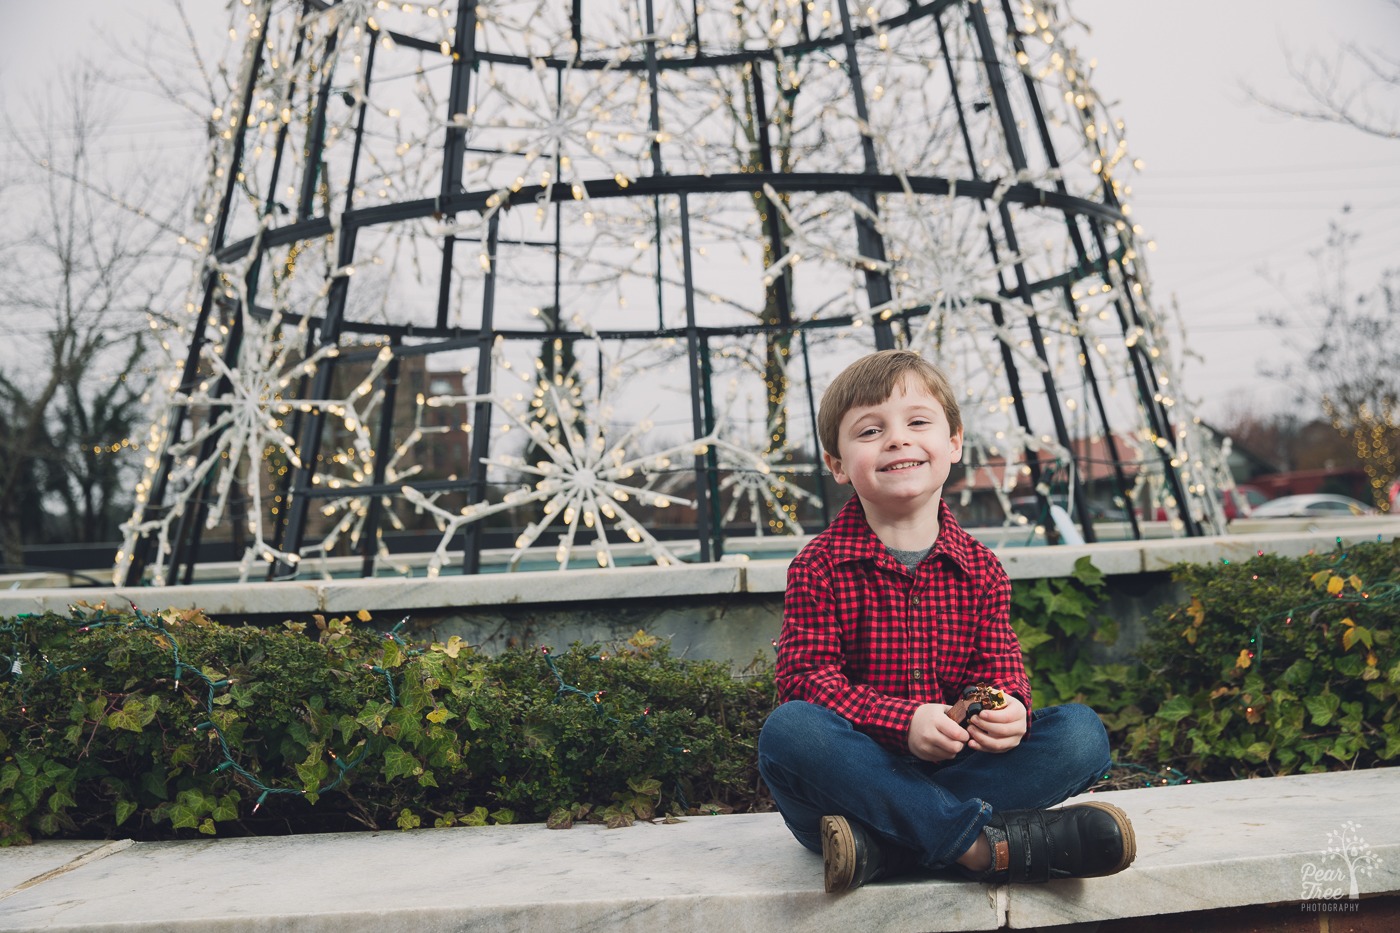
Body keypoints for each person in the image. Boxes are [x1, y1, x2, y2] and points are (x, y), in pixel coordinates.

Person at [757, 349, 1136, 893]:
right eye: (869, 431)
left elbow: (1000, 669)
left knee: (1080, 735)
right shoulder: (820, 566)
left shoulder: (980, 568)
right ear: (837, 464)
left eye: (917, 422)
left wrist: (1008, 711)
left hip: (959, 776)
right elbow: (806, 682)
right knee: (790, 730)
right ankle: (980, 848)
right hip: (855, 784)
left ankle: (883, 849)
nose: (897, 439)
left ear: (953, 443)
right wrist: (902, 722)